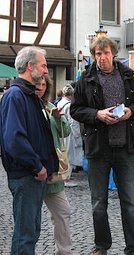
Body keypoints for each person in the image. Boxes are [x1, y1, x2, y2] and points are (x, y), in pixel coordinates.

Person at [70, 37, 134, 255]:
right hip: (98, 150)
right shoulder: (86, 78)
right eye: (97, 54)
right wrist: (97, 114)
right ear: (93, 55)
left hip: (125, 148)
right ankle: (101, 246)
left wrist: (131, 112)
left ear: (113, 53)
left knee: (130, 202)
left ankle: (133, 248)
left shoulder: (128, 76)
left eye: (105, 53)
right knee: (98, 203)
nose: (102, 58)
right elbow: (75, 110)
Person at [0, 46, 59, 254]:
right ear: (30, 66)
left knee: (31, 232)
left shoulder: (29, 96)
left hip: (33, 176)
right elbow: (14, 140)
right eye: (43, 65)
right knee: (25, 235)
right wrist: (37, 166)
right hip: (27, 176)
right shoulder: (15, 96)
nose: (45, 70)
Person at [35, 75, 73, 254]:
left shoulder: (51, 107)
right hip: (32, 172)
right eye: (37, 84)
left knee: (63, 212)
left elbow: (66, 133)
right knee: (29, 220)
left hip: (53, 172)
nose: (40, 87)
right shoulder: (25, 107)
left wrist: (58, 118)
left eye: (43, 84)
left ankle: (63, 252)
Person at [58, 84, 83, 187]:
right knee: (69, 155)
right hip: (69, 133)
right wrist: (78, 136)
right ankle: (66, 179)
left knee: (63, 154)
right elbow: (74, 122)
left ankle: (64, 177)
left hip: (61, 132)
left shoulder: (60, 103)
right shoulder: (69, 105)